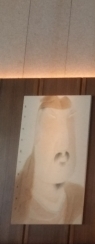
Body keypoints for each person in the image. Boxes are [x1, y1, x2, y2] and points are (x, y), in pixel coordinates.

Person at [11, 96, 85, 224]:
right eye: (52, 128)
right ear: (34, 137)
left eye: (69, 125)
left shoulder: (79, 197)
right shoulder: (13, 194)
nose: (64, 144)